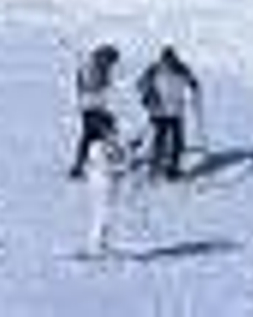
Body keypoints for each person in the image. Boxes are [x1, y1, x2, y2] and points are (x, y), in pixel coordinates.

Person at [137, 46, 202, 180]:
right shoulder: (154, 69)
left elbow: (192, 81)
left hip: (175, 111)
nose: (167, 64)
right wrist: (148, 97)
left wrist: (194, 87)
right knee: (160, 140)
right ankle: (156, 165)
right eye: (165, 61)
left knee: (177, 142)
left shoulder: (181, 69)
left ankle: (172, 169)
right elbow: (141, 83)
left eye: (170, 61)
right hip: (160, 111)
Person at [69, 44, 120, 179]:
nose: (111, 66)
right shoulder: (91, 67)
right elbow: (91, 84)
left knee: (90, 136)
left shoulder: (98, 67)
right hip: (91, 107)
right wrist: (102, 79)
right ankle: (110, 161)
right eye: (111, 61)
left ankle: (80, 165)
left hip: (96, 106)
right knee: (104, 133)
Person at [84, 113, 129, 258]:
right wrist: (118, 169)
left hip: (111, 184)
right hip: (101, 184)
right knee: (101, 214)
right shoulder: (96, 147)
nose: (112, 131)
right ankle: (95, 246)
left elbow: (121, 158)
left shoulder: (113, 143)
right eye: (109, 128)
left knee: (108, 215)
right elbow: (103, 166)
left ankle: (104, 243)